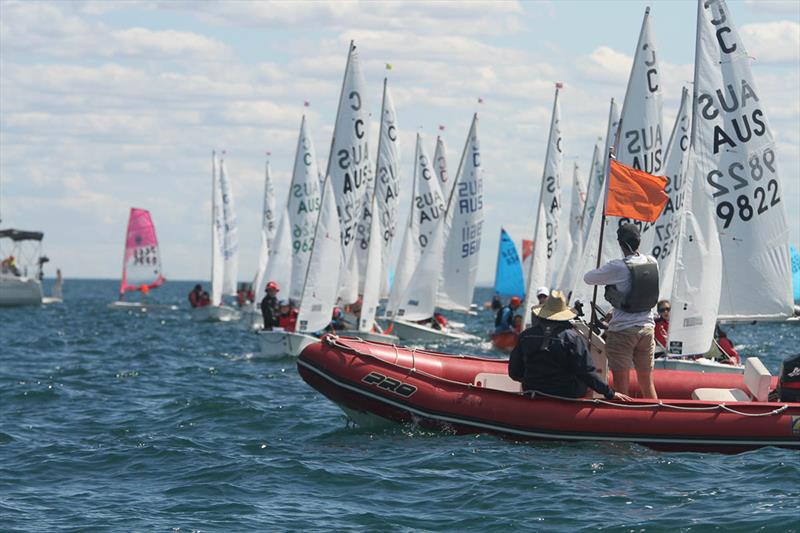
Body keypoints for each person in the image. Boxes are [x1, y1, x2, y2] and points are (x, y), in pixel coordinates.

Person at [508, 290, 631, 401]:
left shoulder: (525, 336)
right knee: (586, 385)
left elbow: (514, 372)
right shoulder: (572, 338)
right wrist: (609, 393)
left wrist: (533, 381)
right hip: (565, 394)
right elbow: (586, 372)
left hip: (532, 392)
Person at [583, 223, 659, 398]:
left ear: (620, 243)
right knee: (647, 384)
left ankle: (623, 422)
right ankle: (655, 421)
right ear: (638, 241)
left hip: (622, 331)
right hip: (647, 330)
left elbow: (588, 278)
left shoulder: (618, 266)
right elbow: (637, 292)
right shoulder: (652, 262)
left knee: (620, 388)